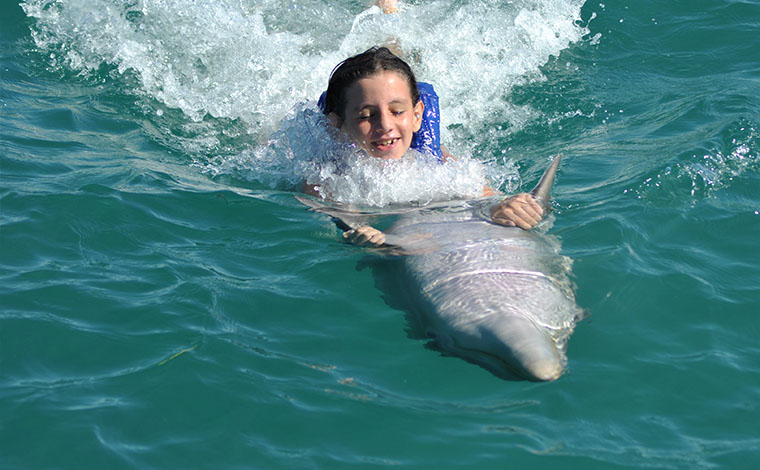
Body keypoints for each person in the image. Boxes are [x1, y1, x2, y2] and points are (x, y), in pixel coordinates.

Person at [306, 46, 545, 246]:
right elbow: (340, 214)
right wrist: (363, 231)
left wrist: (508, 208)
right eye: (366, 116)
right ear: (339, 125)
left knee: (391, 61)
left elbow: (488, 198)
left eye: (398, 112)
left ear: (417, 116)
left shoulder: (433, 161)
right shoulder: (324, 175)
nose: (385, 125)